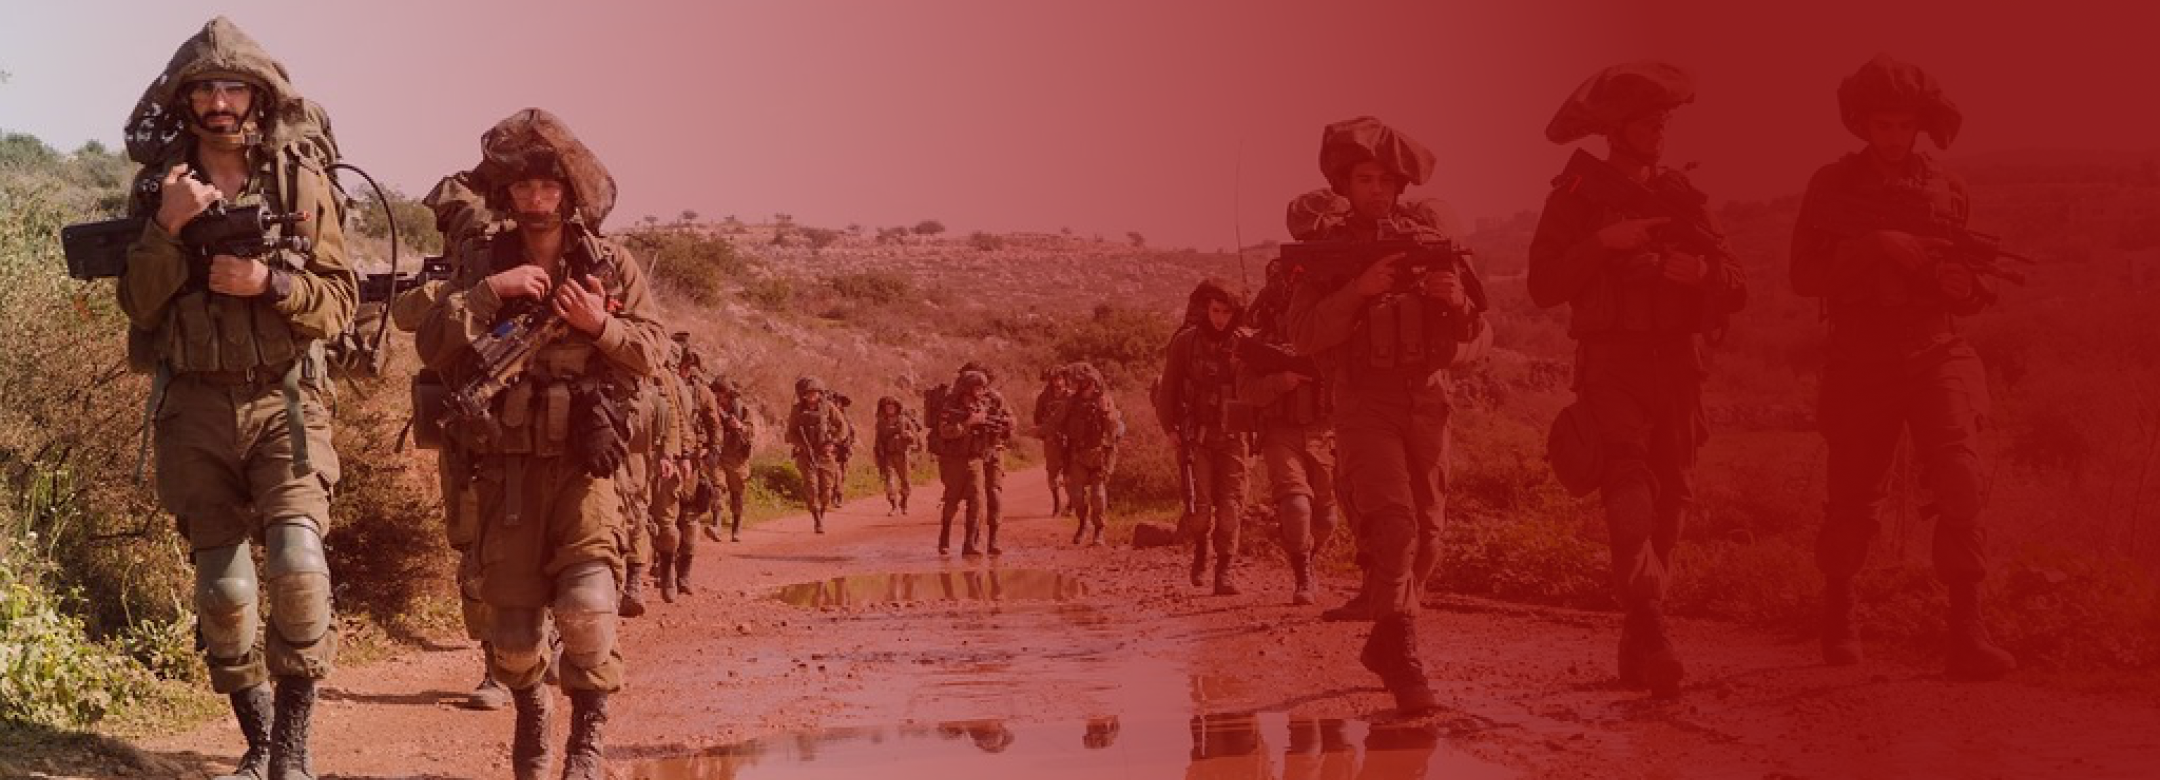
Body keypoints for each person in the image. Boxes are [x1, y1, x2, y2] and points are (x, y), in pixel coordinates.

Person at [118, 17, 356, 779]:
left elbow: (340, 300)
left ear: (258, 97)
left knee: (299, 567)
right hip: (191, 405)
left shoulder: (299, 183)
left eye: (233, 88)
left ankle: (292, 750)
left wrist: (270, 284)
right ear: (185, 102)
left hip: (283, 401)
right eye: (206, 89)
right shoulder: (159, 189)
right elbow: (139, 307)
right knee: (224, 594)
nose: (220, 103)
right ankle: (256, 737)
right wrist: (167, 228)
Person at [416, 108, 666, 779]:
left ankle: (585, 750)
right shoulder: (480, 260)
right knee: (517, 640)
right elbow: (433, 346)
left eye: (547, 186)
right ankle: (533, 716)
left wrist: (598, 326)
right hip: (505, 470)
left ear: (569, 191)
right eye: (522, 187)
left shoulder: (610, 264)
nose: (535, 199)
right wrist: (488, 293)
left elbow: (652, 351)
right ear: (506, 194)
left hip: (584, 466)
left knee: (586, 612)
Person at [1790, 54, 2017, 680]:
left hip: (1937, 348)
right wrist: (1871, 247)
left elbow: (1970, 294)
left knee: (1962, 481)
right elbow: (1803, 274)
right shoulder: (1831, 186)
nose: (1893, 137)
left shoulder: (1948, 188)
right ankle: (1840, 613)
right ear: (1862, 124)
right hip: (1862, 357)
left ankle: (1967, 630)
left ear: (1919, 125)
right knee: (1852, 501)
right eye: (1881, 125)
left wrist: (1959, 283)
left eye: (1903, 125)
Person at [1528, 62, 1749, 698]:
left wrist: (1699, 277)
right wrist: (1604, 241)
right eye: (1649, 119)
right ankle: (1653, 627)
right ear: (1614, 129)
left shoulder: (1684, 200)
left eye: (1666, 120)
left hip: (1678, 366)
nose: (1661, 129)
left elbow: (1737, 284)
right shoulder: (1574, 198)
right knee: (1628, 489)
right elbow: (1544, 285)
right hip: (1611, 365)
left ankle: (1639, 630)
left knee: (1672, 504)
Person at [1285, 116, 1492, 715]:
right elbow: (1302, 335)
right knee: (1395, 526)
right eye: (1365, 179)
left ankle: (1384, 638)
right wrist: (1359, 290)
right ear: (1344, 185)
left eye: (1386, 181)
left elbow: (1479, 333)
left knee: (1428, 536)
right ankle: (1402, 653)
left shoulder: (1433, 245)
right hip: (1363, 404)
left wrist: (1454, 305)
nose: (1377, 190)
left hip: (1427, 401)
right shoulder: (1326, 255)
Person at [1242, 259, 1341, 606]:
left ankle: (1308, 560)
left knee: (1326, 519)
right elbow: (1246, 390)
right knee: (1297, 507)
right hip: (1280, 432)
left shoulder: (1328, 333)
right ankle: (1302, 576)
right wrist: (1280, 381)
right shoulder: (1259, 345)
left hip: (1323, 432)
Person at [1156, 279, 1253, 595]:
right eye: (1215, 310)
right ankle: (1201, 549)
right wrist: (1170, 429)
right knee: (1199, 509)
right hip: (1196, 437)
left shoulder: (1247, 344)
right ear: (1205, 309)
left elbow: (1260, 391)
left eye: (1226, 311)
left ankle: (1224, 571)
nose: (1220, 318)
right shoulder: (1186, 343)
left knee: (1231, 508)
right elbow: (1167, 390)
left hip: (1234, 439)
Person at [935, 369, 1013, 555]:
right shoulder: (951, 407)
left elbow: (1003, 420)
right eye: (977, 388)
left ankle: (970, 543)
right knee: (952, 500)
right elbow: (945, 431)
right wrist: (968, 423)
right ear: (967, 389)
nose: (981, 392)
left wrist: (1002, 425)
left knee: (977, 500)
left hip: (977, 458)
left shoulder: (985, 404)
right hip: (954, 459)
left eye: (982, 388)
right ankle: (945, 534)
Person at [1056, 363, 1124, 546]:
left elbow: (1115, 429)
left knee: (1098, 496)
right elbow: (1057, 424)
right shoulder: (1071, 403)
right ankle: (1082, 523)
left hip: (1099, 455)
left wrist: (1106, 412)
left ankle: (1099, 530)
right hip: (1077, 455)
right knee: (1076, 496)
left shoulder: (1105, 401)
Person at [785, 376, 850, 533]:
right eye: (808, 393)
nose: (812, 396)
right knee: (811, 487)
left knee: (827, 490)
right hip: (806, 455)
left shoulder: (828, 407)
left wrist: (833, 442)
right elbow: (790, 433)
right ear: (803, 395)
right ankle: (817, 519)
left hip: (825, 454)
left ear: (820, 393)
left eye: (815, 393)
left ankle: (821, 512)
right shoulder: (797, 410)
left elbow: (843, 427)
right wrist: (801, 445)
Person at [702, 376, 757, 541]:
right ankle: (717, 525)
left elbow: (751, 431)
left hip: (738, 456)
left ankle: (736, 527)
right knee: (717, 487)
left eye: (722, 394)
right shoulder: (710, 407)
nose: (720, 398)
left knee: (737, 492)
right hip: (718, 453)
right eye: (717, 394)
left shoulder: (742, 409)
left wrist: (739, 426)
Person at [1034, 366, 1076, 517]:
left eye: (1060, 378)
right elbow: (1038, 419)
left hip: (1070, 439)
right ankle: (1056, 503)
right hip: (1052, 440)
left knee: (1070, 473)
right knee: (1053, 473)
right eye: (1054, 379)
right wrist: (1044, 433)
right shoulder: (1044, 398)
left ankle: (1071, 503)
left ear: (1065, 379)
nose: (1057, 382)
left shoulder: (1072, 397)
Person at [872, 396, 924, 515]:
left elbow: (915, 438)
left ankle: (904, 501)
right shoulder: (881, 423)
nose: (890, 408)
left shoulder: (904, 421)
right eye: (887, 406)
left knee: (905, 481)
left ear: (896, 407)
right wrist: (878, 454)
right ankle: (894, 505)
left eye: (892, 405)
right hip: (888, 455)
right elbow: (878, 440)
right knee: (889, 481)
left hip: (903, 454)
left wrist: (909, 436)